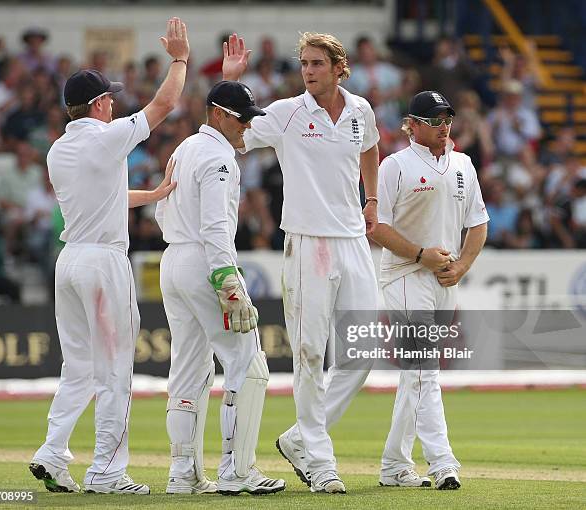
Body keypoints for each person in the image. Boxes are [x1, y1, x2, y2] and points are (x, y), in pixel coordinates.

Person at [29, 17, 189, 495]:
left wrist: (154, 193)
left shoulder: (58, 151)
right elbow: (164, 105)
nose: (115, 103)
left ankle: (52, 453)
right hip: (103, 263)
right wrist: (179, 59)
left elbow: (105, 197)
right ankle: (108, 472)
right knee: (116, 368)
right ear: (98, 104)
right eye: (110, 98)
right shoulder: (106, 137)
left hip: (70, 262)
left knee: (77, 369)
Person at [223, 32, 380, 493]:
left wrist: (371, 199)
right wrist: (231, 84)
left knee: (364, 351)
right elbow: (232, 136)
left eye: (317, 64)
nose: (308, 71)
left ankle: (299, 440)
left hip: (353, 241)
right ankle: (321, 459)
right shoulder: (286, 113)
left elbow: (370, 146)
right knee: (310, 354)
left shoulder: (360, 110)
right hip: (307, 243)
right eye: (304, 64)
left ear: (338, 68)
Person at [155, 81, 285, 496]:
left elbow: (162, 210)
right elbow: (215, 227)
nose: (248, 125)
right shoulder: (219, 158)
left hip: (173, 258)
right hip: (206, 262)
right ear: (218, 114)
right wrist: (226, 279)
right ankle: (238, 470)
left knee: (189, 367)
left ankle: (183, 473)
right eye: (242, 117)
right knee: (248, 363)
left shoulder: (185, 149)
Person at [371, 90, 489, 489]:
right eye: (435, 121)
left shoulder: (463, 164)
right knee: (425, 368)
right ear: (414, 125)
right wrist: (421, 255)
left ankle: (393, 465)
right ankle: (443, 463)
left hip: (444, 280)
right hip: (405, 275)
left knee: (414, 375)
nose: (444, 128)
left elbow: (478, 222)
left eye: (447, 120)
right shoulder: (395, 166)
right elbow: (377, 227)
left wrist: (462, 266)